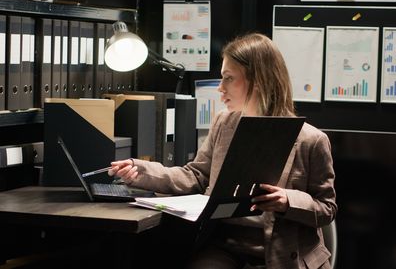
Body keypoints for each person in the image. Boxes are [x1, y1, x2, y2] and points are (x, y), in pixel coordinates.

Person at [109, 32, 337, 269]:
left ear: (258, 80)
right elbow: (195, 175)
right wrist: (142, 170)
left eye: (228, 78)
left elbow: (327, 209)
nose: (220, 88)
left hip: (283, 253)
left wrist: (287, 201)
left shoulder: (312, 139)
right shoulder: (224, 124)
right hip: (227, 249)